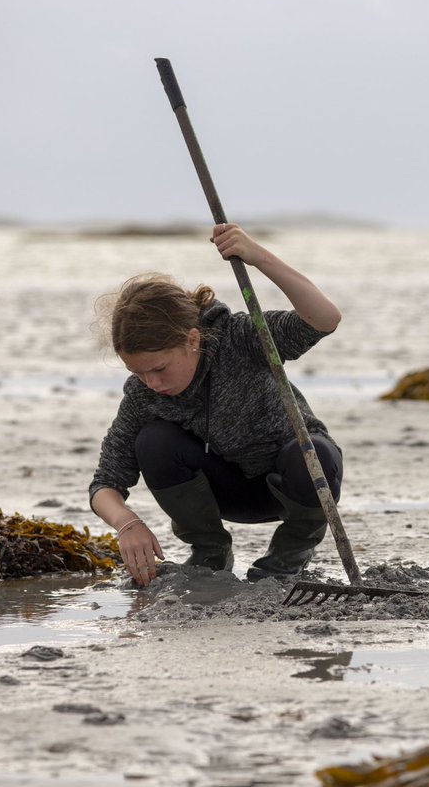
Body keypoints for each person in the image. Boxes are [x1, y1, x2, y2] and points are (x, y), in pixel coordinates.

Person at [89, 223, 343, 587]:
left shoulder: (241, 338)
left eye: (159, 369)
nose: (152, 384)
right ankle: (210, 552)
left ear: (192, 339)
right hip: (227, 493)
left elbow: (323, 319)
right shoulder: (143, 395)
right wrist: (128, 524)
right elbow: (104, 484)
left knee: (312, 452)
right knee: (153, 440)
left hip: (298, 484)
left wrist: (258, 257)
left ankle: (289, 555)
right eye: (139, 373)